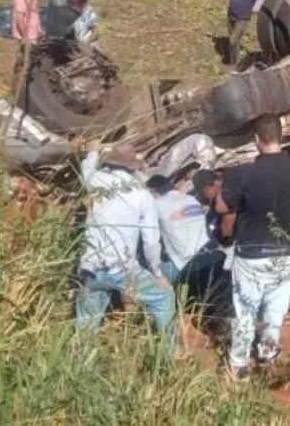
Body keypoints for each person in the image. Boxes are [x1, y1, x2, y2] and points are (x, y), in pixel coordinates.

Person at [214, 114, 290, 377]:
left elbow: (221, 207)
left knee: (245, 309)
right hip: (286, 252)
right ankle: (266, 353)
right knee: (276, 307)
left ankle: (238, 364)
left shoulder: (242, 173)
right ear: (282, 135)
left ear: (256, 140)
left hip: (250, 254)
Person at [75, 144, 176, 344]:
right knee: (164, 297)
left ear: (110, 163)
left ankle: (81, 359)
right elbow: (151, 241)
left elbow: (86, 168)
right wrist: (156, 271)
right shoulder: (142, 194)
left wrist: (95, 150)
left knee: (87, 320)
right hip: (123, 269)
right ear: (133, 168)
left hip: (90, 268)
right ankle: (168, 356)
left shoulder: (95, 181)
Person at [146, 175, 225, 290]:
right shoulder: (190, 199)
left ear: (152, 192)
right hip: (216, 256)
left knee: (149, 280)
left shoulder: (156, 205)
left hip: (190, 267)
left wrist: (156, 272)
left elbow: (150, 240)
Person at [222, 0, 278, 67]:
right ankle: (235, 55)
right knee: (234, 40)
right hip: (231, 14)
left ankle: (233, 62)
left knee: (232, 40)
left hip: (242, 18)